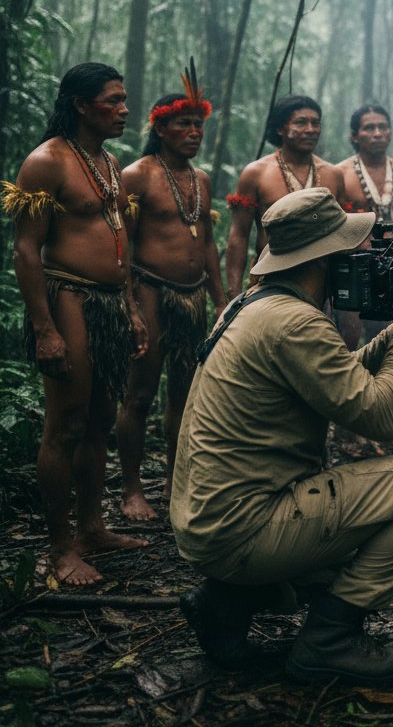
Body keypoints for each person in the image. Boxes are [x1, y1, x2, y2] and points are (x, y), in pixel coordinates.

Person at [170, 188, 393, 685]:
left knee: (343, 534)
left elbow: (336, 376)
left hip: (208, 523)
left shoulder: (253, 304)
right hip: (243, 530)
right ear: (327, 257)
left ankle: (227, 602)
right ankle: (330, 639)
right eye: (349, 251)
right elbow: (381, 418)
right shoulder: (295, 322)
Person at [3, 63, 149, 585]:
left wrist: (131, 308)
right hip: (68, 298)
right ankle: (60, 548)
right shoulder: (46, 162)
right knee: (64, 423)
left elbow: (120, 243)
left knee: (98, 421)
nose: (125, 109)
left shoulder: (108, 162)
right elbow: (25, 248)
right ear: (82, 105)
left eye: (124, 98)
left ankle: (92, 528)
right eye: (113, 100)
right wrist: (45, 328)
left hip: (111, 303)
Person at [116, 67, 227, 521]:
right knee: (140, 394)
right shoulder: (136, 175)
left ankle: (175, 481)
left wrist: (223, 301)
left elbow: (207, 246)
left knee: (184, 394)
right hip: (148, 290)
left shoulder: (200, 180)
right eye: (183, 124)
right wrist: (130, 308)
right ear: (159, 127)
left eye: (198, 125)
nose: (194, 132)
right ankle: (130, 489)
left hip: (193, 296)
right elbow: (120, 244)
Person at [224, 94, 345, 299]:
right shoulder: (256, 173)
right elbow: (239, 235)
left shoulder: (333, 175)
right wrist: (234, 292)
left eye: (315, 123)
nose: (310, 130)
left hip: (320, 282)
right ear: (280, 128)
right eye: (301, 123)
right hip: (269, 280)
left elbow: (343, 234)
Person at [335, 104, 393, 348]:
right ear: (354, 135)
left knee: (391, 339)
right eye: (369, 128)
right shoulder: (340, 174)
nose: (377, 133)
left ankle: (389, 385)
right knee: (348, 339)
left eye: (383, 127)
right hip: (354, 265)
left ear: (391, 132)